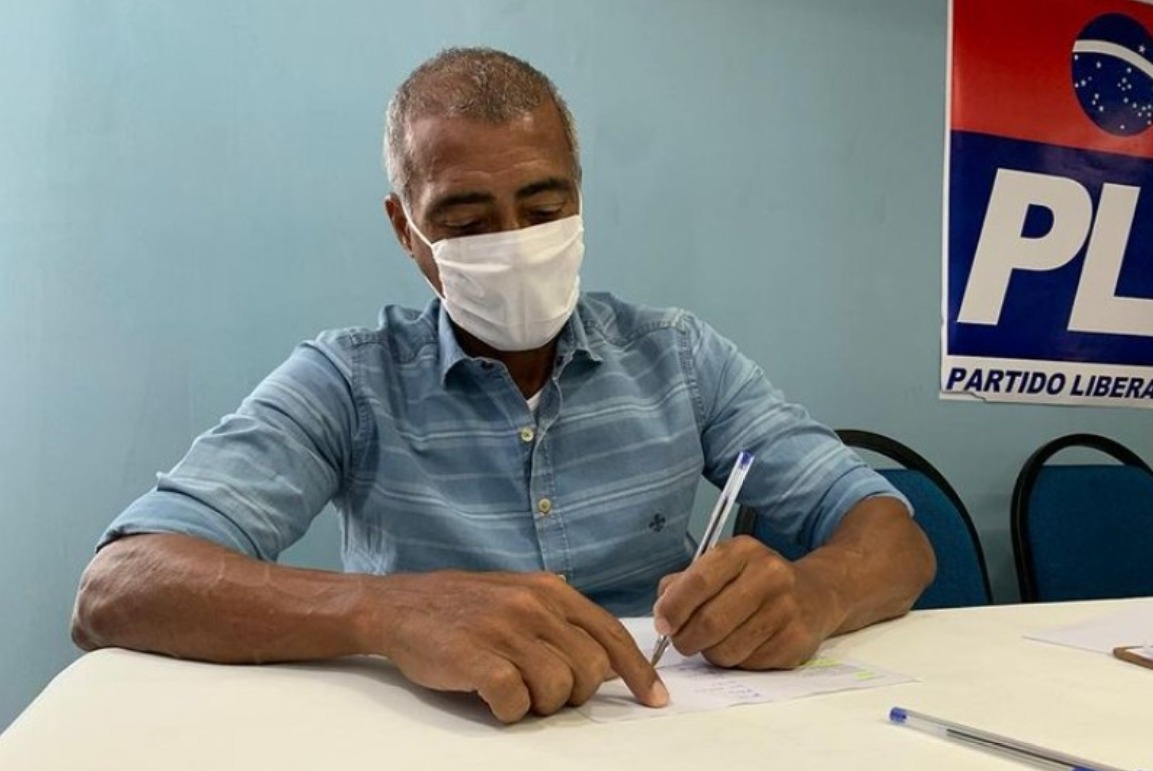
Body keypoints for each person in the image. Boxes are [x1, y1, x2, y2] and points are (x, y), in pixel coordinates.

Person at [72, 47, 934, 724]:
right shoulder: (347, 378)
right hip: (435, 747)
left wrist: (811, 595)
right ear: (405, 230)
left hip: (664, 732)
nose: (514, 240)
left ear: (581, 201)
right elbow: (120, 585)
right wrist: (385, 612)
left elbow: (891, 536)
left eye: (543, 205)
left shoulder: (680, 357)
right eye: (466, 219)